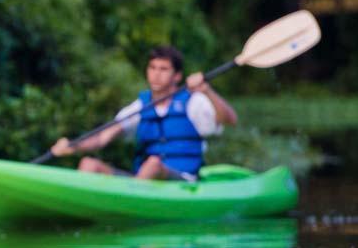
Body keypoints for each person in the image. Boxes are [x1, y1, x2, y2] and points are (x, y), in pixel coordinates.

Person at [50, 45, 238, 181]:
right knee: (88, 165)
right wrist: (73, 146)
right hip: (141, 180)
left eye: (163, 69)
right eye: (152, 68)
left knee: (154, 163)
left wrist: (207, 91)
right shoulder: (139, 108)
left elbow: (230, 119)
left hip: (183, 181)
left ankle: (128, 203)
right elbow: (102, 138)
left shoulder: (193, 102)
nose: (156, 74)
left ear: (177, 76)